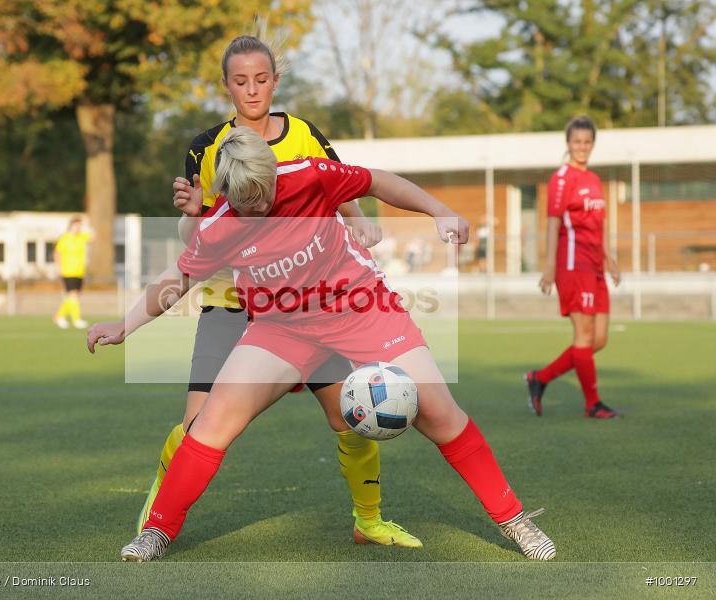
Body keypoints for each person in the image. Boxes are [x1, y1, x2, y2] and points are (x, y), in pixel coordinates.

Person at [89, 127, 557, 562]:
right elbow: (180, 277)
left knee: (439, 411)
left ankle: (514, 520)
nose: (257, 209)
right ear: (227, 194)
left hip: (361, 307)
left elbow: (378, 181)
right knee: (213, 420)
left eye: (263, 197)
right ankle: (157, 530)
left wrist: (439, 210)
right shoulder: (219, 225)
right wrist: (126, 324)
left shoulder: (310, 176)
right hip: (281, 326)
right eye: (245, 203)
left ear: (273, 174)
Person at [134, 35, 420, 548]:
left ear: (275, 81)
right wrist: (192, 211)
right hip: (231, 302)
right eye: (240, 81)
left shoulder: (305, 134)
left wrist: (360, 225)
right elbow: (199, 237)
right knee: (199, 423)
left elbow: (341, 185)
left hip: (307, 307)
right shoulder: (206, 147)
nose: (252, 90)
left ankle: (368, 520)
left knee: (350, 414)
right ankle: (161, 503)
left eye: (261, 80)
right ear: (226, 86)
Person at [525, 116, 621, 418]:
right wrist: (550, 266)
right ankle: (592, 404)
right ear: (568, 143)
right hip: (572, 263)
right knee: (584, 335)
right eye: (577, 141)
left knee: (599, 340)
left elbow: (598, 225)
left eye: (587, 142)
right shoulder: (562, 178)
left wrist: (610, 258)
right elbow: (553, 223)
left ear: (593, 144)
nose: (582, 147)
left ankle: (539, 378)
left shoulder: (593, 179)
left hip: (595, 265)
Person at [53, 216, 93, 329]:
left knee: (74, 296)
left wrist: (88, 227)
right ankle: (76, 320)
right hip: (68, 271)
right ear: (70, 226)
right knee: (73, 295)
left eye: (80, 225)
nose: (78, 227)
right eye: (76, 225)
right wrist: (59, 267)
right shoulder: (64, 238)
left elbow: (94, 236)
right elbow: (57, 253)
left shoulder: (82, 237)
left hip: (80, 271)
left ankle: (59, 316)